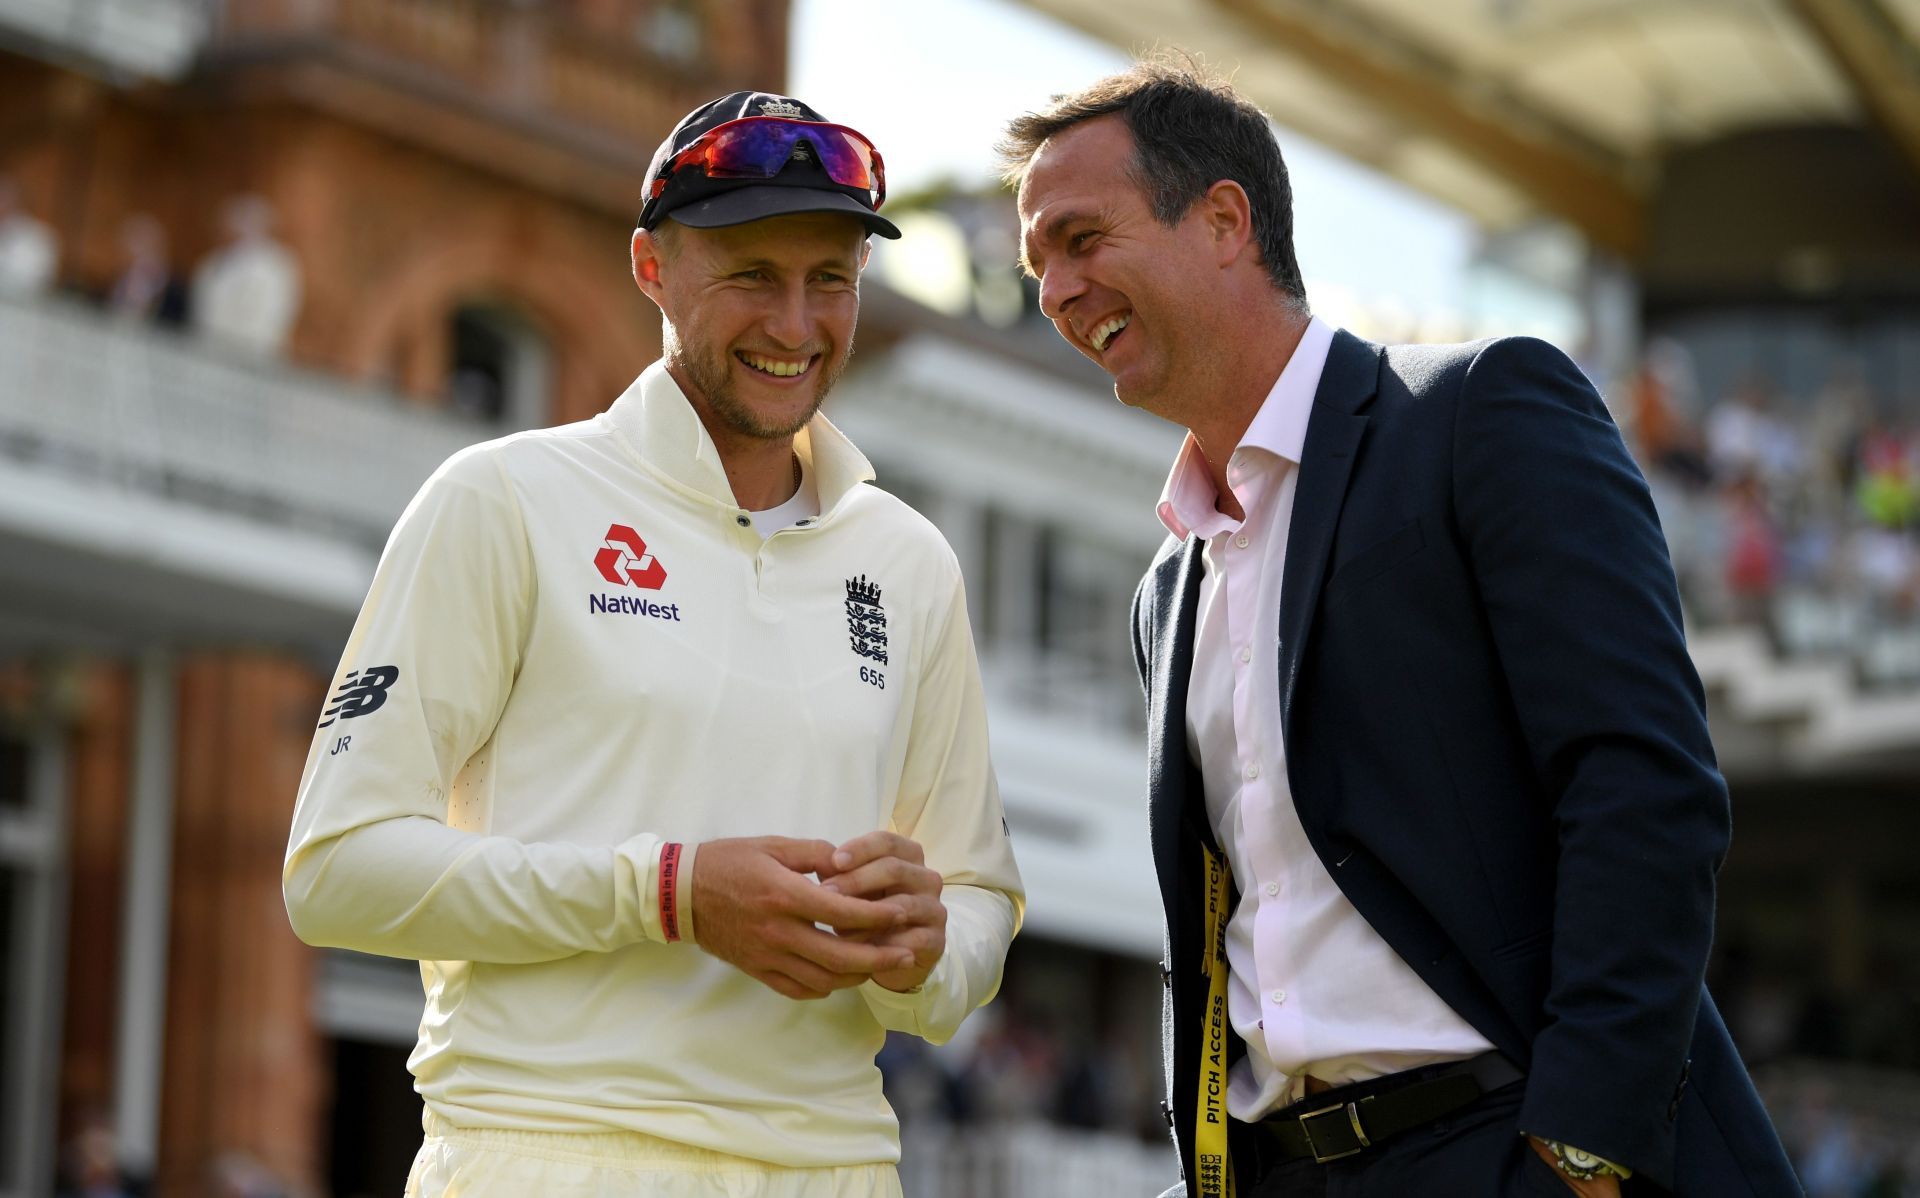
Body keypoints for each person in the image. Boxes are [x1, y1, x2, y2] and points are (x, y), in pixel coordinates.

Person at [1001, 59, 1798, 1197]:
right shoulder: (1165, 592)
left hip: (1512, 1145)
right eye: (1038, 263)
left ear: (1226, 219)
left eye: (1081, 238)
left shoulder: (1484, 410)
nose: (1055, 290)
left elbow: (1644, 785)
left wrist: (1583, 1147)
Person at [285, 90, 1022, 1197]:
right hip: (545, 1153)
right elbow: (334, 874)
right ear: (651, 269)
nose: (795, 324)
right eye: (750, 276)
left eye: (831, 280)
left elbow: (979, 900)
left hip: (837, 1167)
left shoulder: (910, 561)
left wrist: (927, 951)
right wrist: (667, 891)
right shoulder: (504, 498)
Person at [191, 194, 300, 356]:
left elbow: (270, 316)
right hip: (206, 349)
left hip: (248, 353)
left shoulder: (275, 266)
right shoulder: (212, 263)